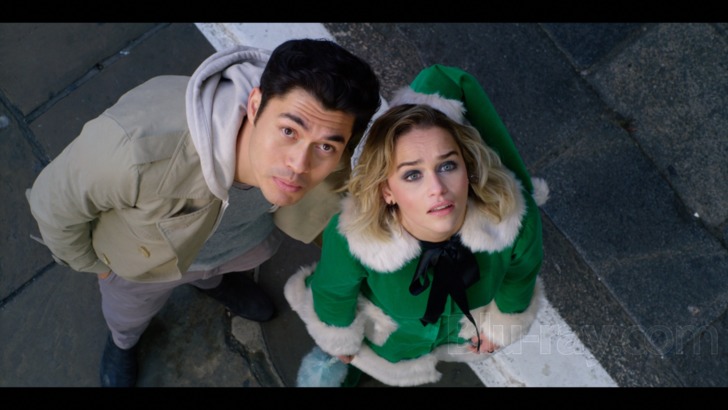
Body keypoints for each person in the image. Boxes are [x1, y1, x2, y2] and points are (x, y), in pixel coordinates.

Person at [26, 38, 381, 387]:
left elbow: (346, 221)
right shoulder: (135, 149)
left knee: (217, 268)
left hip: (237, 249)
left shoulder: (329, 150)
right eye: (288, 131)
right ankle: (123, 342)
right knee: (129, 314)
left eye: (325, 146)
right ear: (255, 105)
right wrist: (99, 267)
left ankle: (211, 281)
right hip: (144, 268)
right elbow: (53, 206)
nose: (299, 165)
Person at [285, 64, 549, 387]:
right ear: (387, 191)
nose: (437, 188)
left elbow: (521, 275)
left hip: (458, 331)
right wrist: (340, 340)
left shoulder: (514, 221)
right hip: (387, 335)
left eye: (447, 165)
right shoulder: (353, 237)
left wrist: (501, 325)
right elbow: (333, 292)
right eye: (412, 174)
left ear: (468, 168)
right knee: (361, 356)